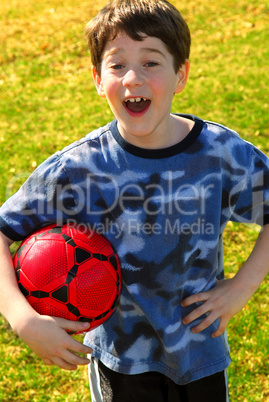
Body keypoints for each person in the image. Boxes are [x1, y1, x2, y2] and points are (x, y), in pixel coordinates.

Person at [0, 0, 268, 401]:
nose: (133, 79)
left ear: (181, 75)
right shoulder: (79, 170)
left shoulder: (220, 154)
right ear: (96, 78)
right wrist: (22, 318)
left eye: (151, 63)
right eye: (117, 64)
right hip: (119, 362)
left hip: (200, 352)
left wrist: (242, 287)